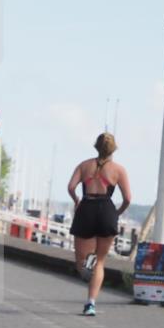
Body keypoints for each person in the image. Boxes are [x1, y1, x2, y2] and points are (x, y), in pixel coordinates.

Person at [66, 133, 131, 316]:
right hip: (106, 211)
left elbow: (71, 187)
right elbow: (127, 198)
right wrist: (116, 213)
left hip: (86, 207)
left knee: (80, 261)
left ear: (96, 146)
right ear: (113, 149)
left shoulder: (84, 165)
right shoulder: (119, 170)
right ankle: (91, 303)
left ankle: (85, 268)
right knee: (100, 261)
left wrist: (77, 199)